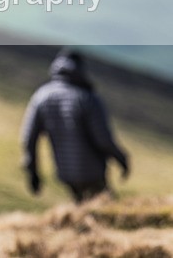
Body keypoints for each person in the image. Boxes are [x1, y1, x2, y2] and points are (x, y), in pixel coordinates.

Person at [20, 49, 130, 203]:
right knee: (103, 209)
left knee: (81, 207)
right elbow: (103, 139)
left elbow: (29, 138)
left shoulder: (41, 96)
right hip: (92, 171)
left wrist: (32, 172)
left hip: (65, 173)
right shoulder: (87, 98)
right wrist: (122, 159)